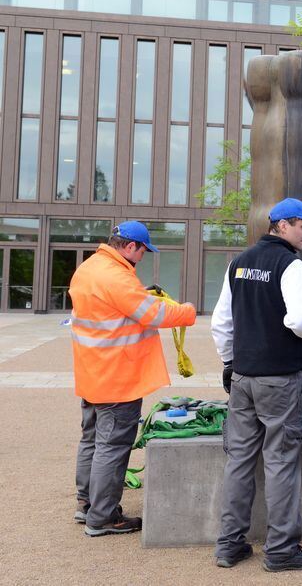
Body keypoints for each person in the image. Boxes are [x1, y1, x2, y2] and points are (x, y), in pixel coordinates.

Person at [211, 198, 302, 572]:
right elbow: (298, 319)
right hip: (279, 379)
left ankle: (229, 545)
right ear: (283, 225)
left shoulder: (238, 263)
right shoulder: (292, 265)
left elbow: (221, 323)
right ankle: (280, 550)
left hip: (243, 377)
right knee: (280, 462)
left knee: (239, 459)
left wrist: (230, 362)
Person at [70, 221, 197, 536]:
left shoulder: (88, 268)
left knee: (92, 441)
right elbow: (153, 314)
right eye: (143, 251)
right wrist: (187, 312)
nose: (142, 257)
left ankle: (86, 504)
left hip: (93, 374)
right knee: (113, 447)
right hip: (118, 378)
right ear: (130, 247)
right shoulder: (116, 277)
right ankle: (102, 517)